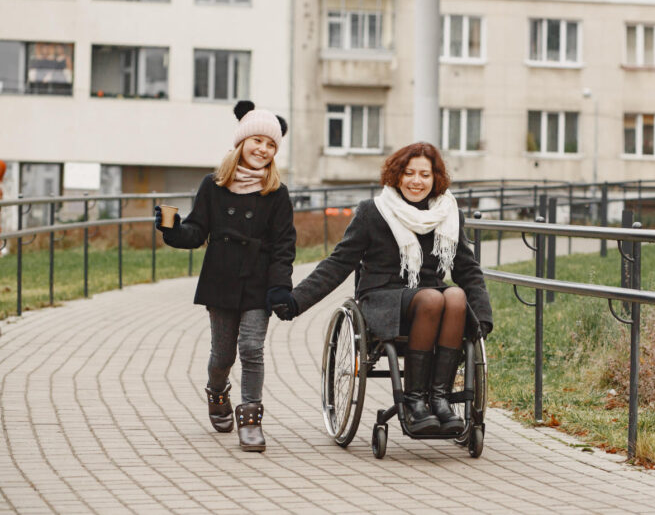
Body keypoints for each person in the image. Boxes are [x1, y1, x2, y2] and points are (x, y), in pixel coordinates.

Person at [275, 142, 492, 435]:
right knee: (431, 298)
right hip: (383, 299)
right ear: (397, 175)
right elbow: (339, 263)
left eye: (425, 175)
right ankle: (415, 403)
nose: (417, 181)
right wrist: (295, 301)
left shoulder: (448, 214)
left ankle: (439, 400)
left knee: (454, 295)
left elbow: (467, 270)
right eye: (409, 173)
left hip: (433, 300)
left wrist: (483, 315)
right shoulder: (373, 212)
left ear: (435, 178)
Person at [154, 100, 297, 452]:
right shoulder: (214, 185)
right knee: (222, 356)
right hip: (221, 279)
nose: (263, 149)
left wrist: (280, 287)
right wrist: (170, 228)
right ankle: (217, 392)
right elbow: (196, 231)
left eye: (271, 144)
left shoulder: (277, 193)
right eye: (257, 141)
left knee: (251, 348)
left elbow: (284, 245)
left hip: (259, 281)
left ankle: (251, 419)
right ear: (242, 142)